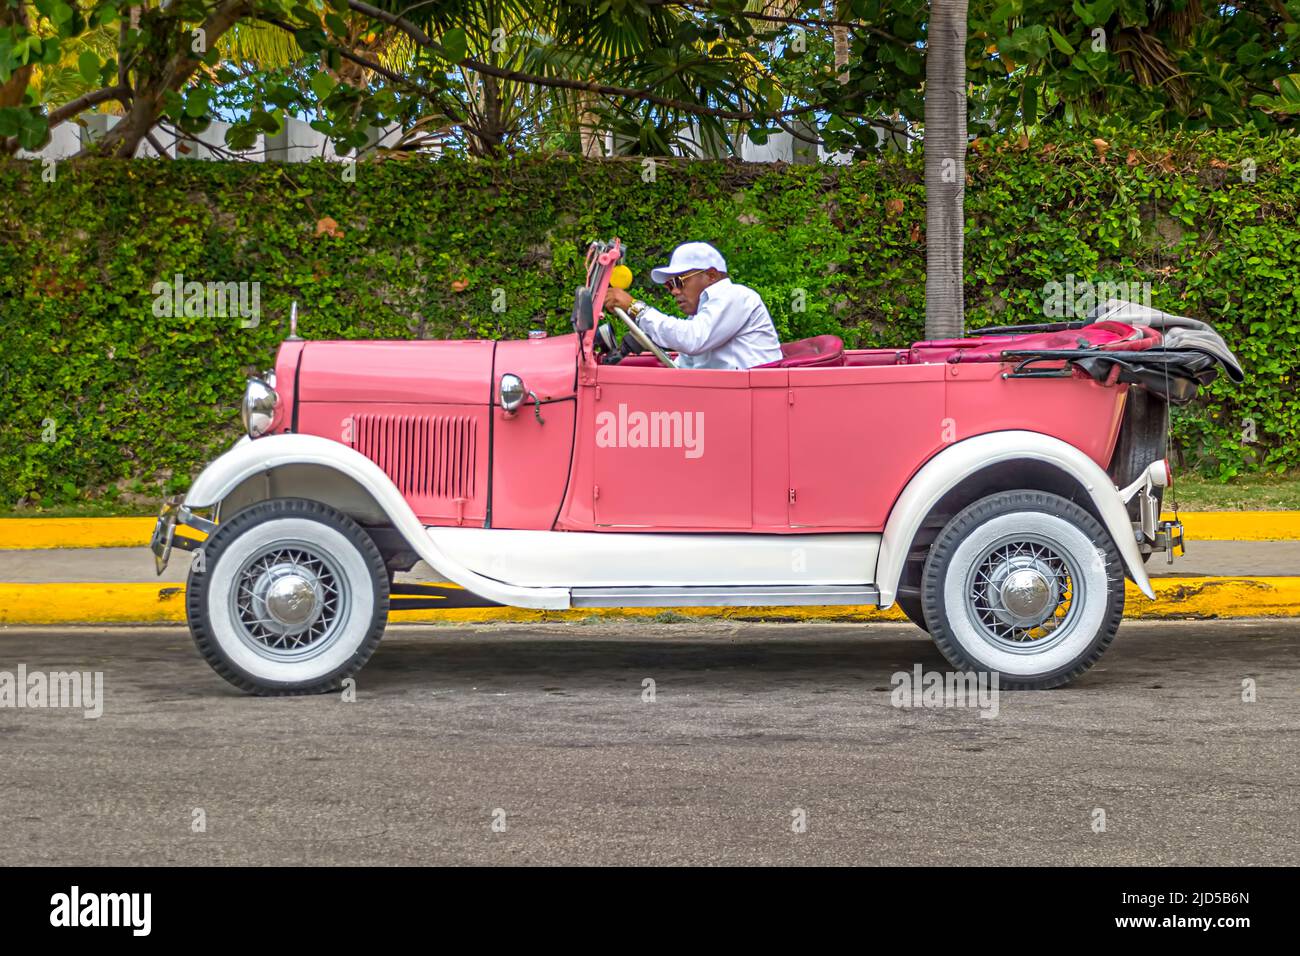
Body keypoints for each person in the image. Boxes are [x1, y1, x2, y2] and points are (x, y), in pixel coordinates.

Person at [602, 242, 783, 370]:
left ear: (711, 275)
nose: (674, 291)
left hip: (754, 403)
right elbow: (684, 366)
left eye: (678, 281)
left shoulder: (735, 296)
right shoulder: (701, 316)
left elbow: (693, 339)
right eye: (669, 285)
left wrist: (634, 307)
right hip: (730, 401)